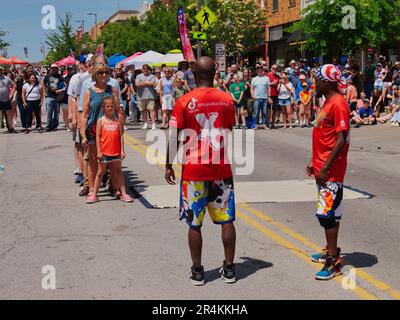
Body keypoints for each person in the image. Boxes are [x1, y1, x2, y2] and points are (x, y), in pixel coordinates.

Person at [165, 56, 237, 286]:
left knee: (194, 223)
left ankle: (197, 271)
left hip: (193, 170)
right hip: (221, 168)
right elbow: (228, 128)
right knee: (226, 220)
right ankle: (229, 268)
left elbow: (174, 136)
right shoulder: (227, 99)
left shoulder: (184, 101)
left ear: (194, 74)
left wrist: (168, 164)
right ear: (215, 73)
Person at [307, 64, 350, 281]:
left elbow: (341, 139)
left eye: (317, 79)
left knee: (326, 215)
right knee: (332, 213)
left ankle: (333, 262)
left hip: (330, 171)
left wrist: (324, 167)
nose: (314, 83)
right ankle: (330, 249)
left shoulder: (339, 104)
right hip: (323, 167)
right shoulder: (328, 103)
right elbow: (325, 136)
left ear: (327, 82)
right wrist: (314, 162)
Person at [81, 64, 120, 198]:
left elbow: (118, 111)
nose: (104, 75)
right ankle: (92, 188)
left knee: (112, 160)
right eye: (101, 73)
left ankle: (115, 187)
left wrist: (121, 127)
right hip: (93, 128)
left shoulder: (112, 90)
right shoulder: (89, 91)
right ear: (95, 75)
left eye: (106, 72)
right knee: (93, 160)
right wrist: (82, 134)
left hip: (110, 128)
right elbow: (85, 114)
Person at [86, 96, 133, 204]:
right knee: (100, 172)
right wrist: (98, 151)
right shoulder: (100, 121)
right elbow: (97, 136)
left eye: (111, 106)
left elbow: (121, 136)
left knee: (118, 172)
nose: (110, 108)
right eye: (107, 106)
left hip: (116, 151)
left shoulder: (117, 120)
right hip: (104, 152)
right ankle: (94, 195)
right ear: (103, 107)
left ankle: (124, 194)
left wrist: (122, 150)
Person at [135, 64, 157, 130]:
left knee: (152, 110)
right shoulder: (138, 76)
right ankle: (146, 123)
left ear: (149, 69)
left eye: (146, 68)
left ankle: (153, 123)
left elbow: (152, 83)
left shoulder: (152, 76)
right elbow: (137, 84)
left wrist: (143, 82)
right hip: (141, 96)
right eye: (144, 68)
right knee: (143, 110)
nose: (145, 69)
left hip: (150, 96)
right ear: (142, 69)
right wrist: (147, 83)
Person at [251, 65, 271, 129]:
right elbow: (251, 88)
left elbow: (269, 88)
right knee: (256, 113)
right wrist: (252, 95)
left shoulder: (266, 78)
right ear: (257, 71)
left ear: (263, 70)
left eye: (261, 69)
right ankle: (256, 125)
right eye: (258, 70)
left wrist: (269, 96)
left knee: (264, 112)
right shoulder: (254, 79)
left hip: (265, 98)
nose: (259, 71)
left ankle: (264, 124)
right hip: (256, 98)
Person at [43, 64, 62, 131]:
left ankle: (55, 125)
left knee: (57, 112)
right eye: (52, 68)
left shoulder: (60, 76)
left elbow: (62, 84)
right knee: (49, 112)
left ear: (57, 69)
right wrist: (45, 92)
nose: (53, 69)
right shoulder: (47, 76)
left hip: (58, 97)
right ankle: (49, 125)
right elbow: (44, 83)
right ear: (50, 69)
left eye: (55, 68)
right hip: (49, 96)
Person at [0, 66, 17, 133]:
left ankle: (11, 128)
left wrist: (12, 93)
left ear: (1, 71)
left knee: (9, 114)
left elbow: (14, 85)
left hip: (6, 99)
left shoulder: (6, 78)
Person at [267, 64, 280, 129]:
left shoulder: (278, 76)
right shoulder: (267, 76)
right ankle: (267, 124)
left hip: (276, 95)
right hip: (269, 94)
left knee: (275, 110)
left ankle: (272, 124)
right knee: (269, 110)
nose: (274, 69)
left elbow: (278, 85)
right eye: (273, 68)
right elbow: (265, 85)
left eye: (276, 68)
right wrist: (272, 83)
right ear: (271, 68)